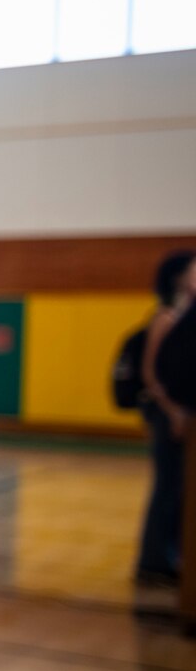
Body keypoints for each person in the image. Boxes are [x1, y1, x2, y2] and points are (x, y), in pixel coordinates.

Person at [137, 248, 196, 600]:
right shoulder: (166, 316)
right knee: (167, 488)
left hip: (183, 414)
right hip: (168, 415)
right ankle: (154, 562)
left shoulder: (186, 316)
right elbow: (151, 373)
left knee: (179, 491)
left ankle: (174, 557)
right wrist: (175, 412)